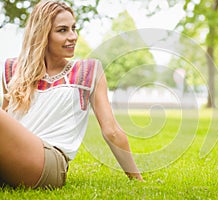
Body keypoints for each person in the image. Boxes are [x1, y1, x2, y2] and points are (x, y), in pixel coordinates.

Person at [0, 0, 143, 189]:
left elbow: (112, 131)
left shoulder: (88, 70)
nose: (73, 36)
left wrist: (138, 180)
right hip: (13, 159)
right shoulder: (12, 69)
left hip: (49, 164)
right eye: (62, 30)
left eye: (73, 28)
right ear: (42, 35)